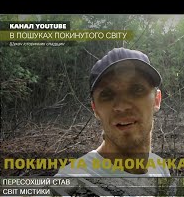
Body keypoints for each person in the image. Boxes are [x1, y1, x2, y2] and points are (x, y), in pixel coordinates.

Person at [56, 47, 170, 176]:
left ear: (157, 100)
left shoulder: (160, 168)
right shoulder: (73, 181)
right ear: (95, 109)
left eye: (137, 89)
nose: (122, 106)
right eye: (107, 94)